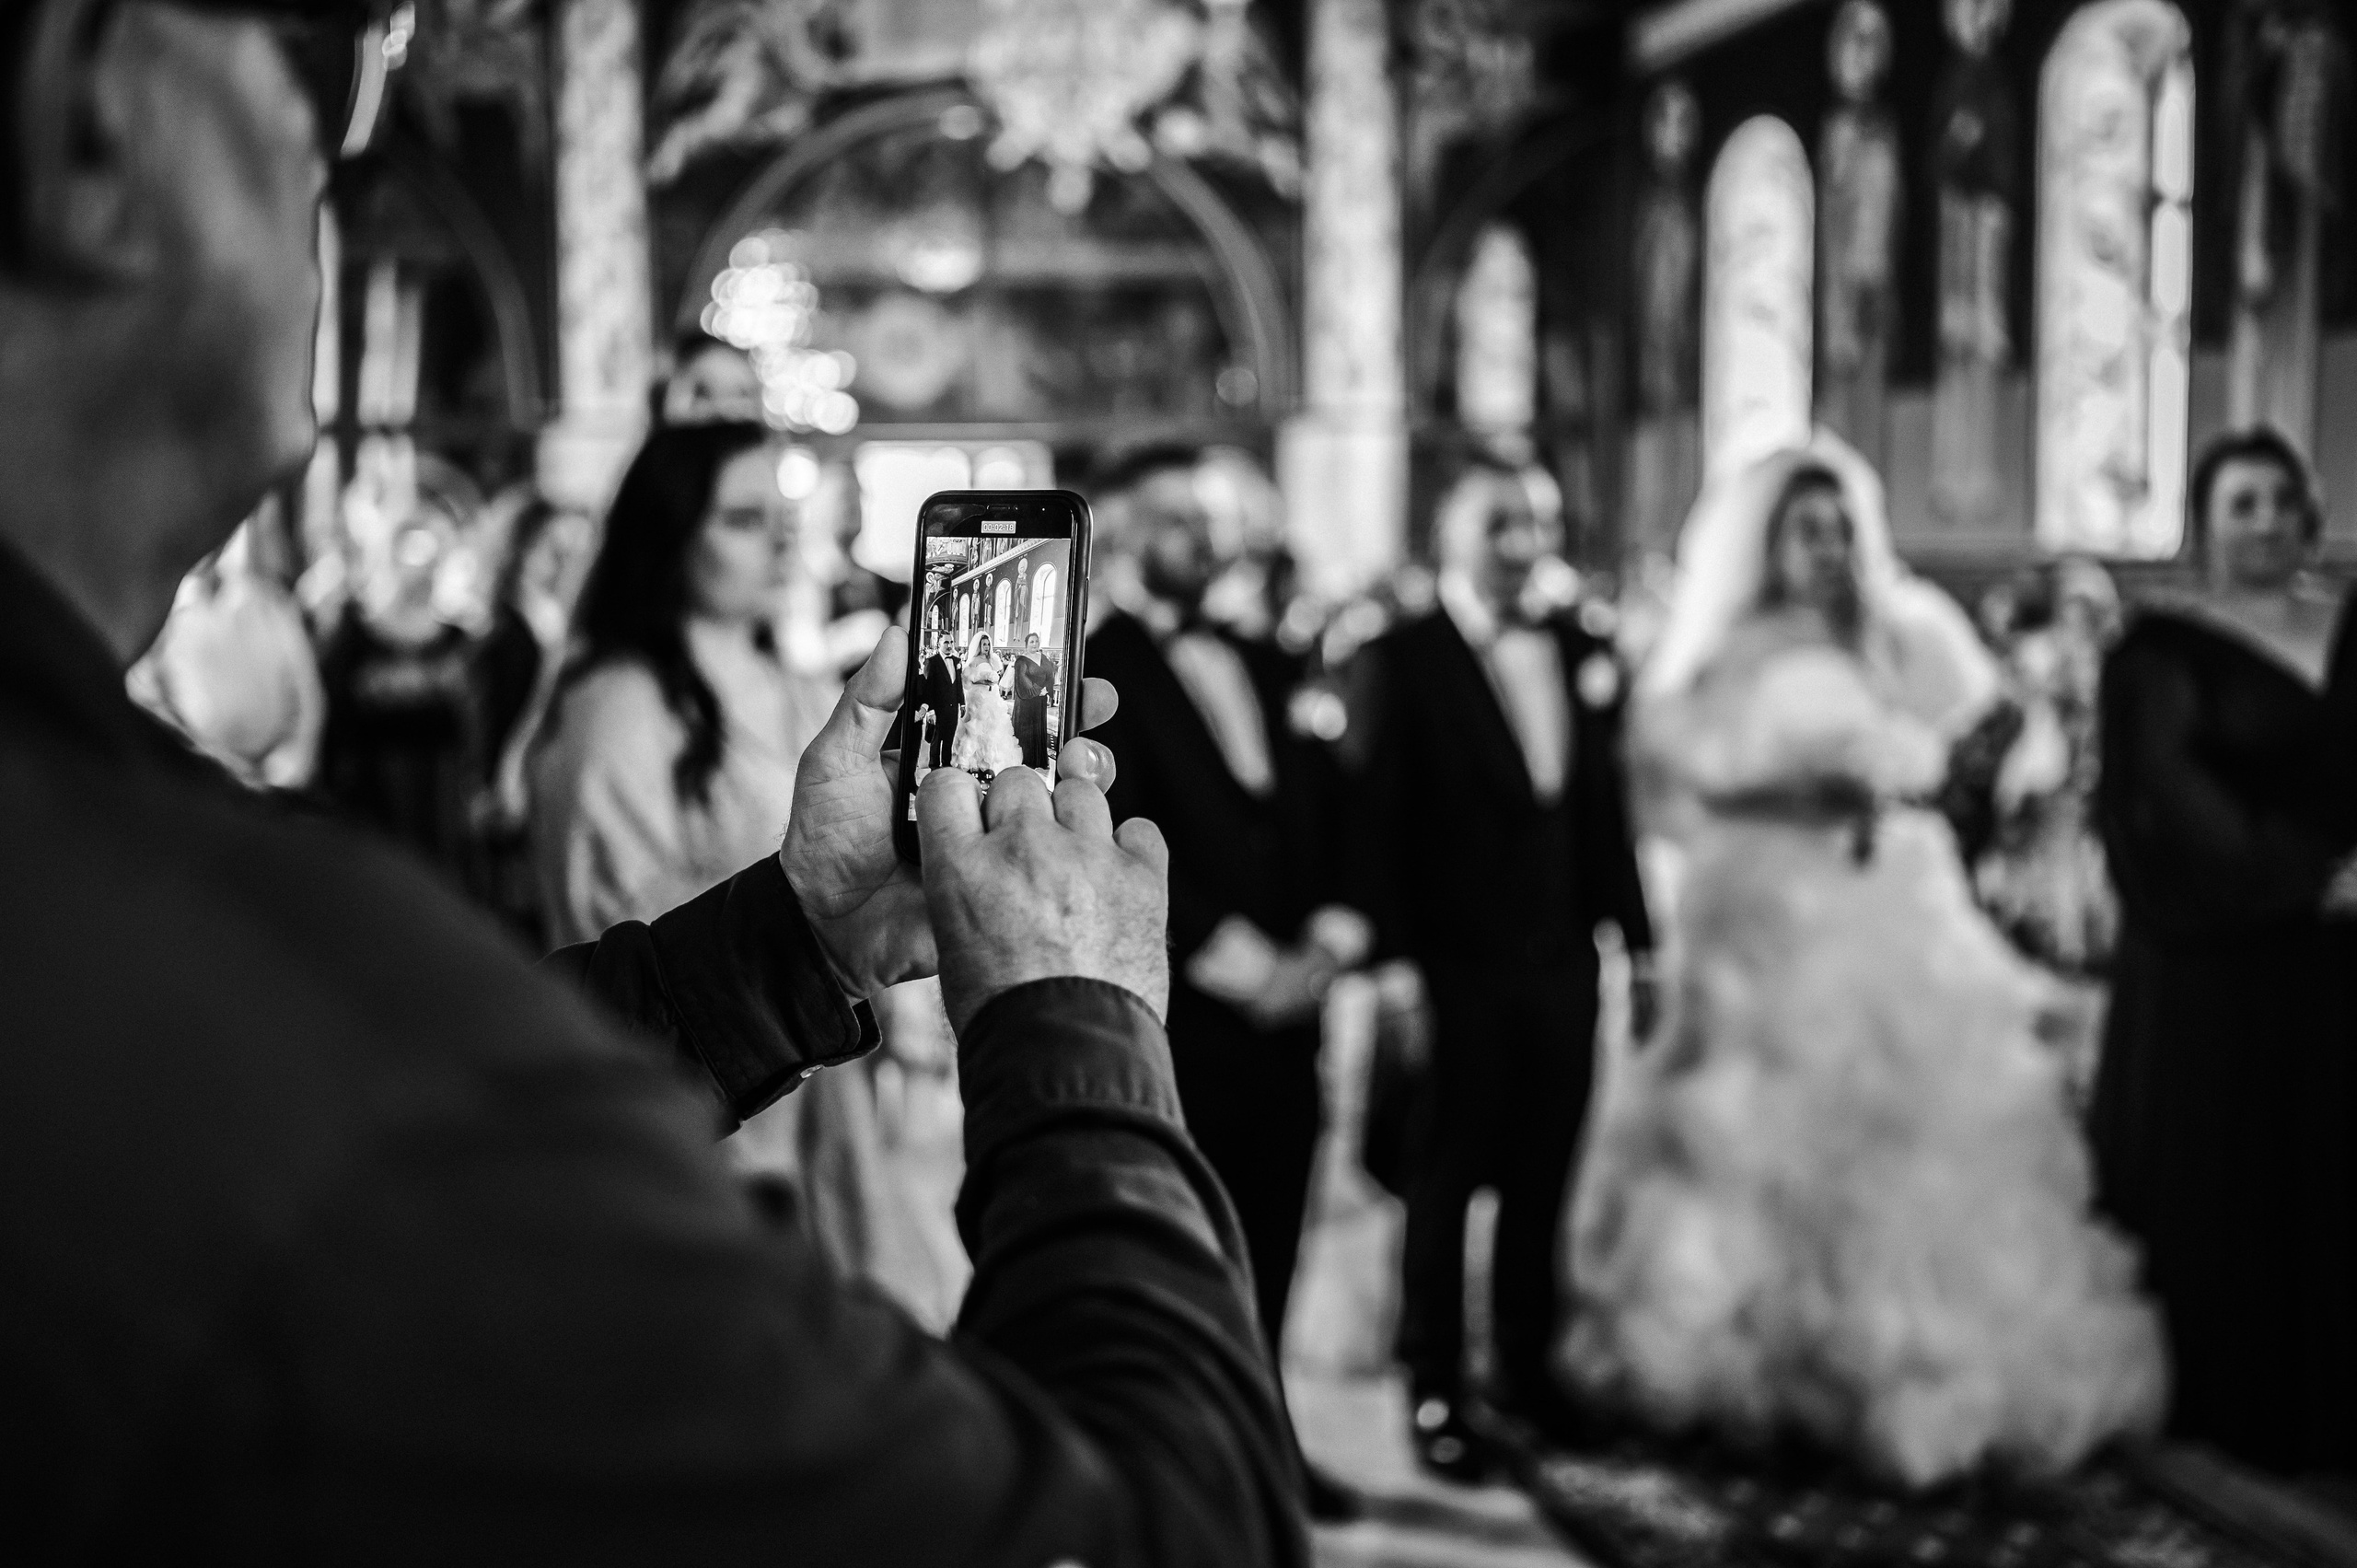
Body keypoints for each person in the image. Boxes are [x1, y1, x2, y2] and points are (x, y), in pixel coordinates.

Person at [0, 5, 1303, 1561]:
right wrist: (1072, 1011)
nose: (351, 134)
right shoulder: (243, 967)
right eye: (323, 53)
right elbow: (1163, 1526)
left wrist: (802, 932)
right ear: (92, 112)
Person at [1563, 435, 2164, 1489]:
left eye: (1841, 527)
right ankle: (1757, 1361)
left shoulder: (1904, 635)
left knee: (1911, 1126)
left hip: (1889, 894)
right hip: (1758, 904)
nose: (1828, 548)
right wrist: (1799, 789)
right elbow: (1669, 786)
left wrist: (1925, 781)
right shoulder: (1720, 649)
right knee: (1754, 1128)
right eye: (1806, 528)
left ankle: (1910, 1365)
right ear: (1766, 544)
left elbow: (1993, 732)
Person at [528, 421, 961, 1323]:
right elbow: (618, 939)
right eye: (740, 516)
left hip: (826, 1070)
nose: (778, 538)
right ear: (669, 536)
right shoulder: (618, 710)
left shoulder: (797, 682)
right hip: (704, 1092)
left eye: (783, 513)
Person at [1341, 455, 1654, 1480]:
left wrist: (1637, 941)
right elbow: (1373, 825)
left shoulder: (1577, 644)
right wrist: (1392, 969)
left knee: (1544, 1176)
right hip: (1451, 967)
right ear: (1451, 536)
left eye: (1538, 521)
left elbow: (1602, 812)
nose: (1524, 543)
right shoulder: (1399, 655)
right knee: (1443, 1180)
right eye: (1500, 524)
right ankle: (1436, 1381)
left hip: (1564, 962)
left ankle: (1527, 1365)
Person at [1086, 445, 1370, 1521]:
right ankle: (1188, 1467)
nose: (1200, 541)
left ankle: (1268, 1441)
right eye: (1172, 521)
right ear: (1116, 535)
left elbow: (1328, 806)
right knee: (1186, 1242)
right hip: (1187, 1012)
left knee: (1277, 1230)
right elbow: (1119, 830)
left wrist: (1332, 939)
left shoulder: (1268, 658)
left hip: (1293, 1012)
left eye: (1208, 521)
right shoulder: (1100, 669)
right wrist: (1251, 967)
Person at [2094, 427, 2357, 1477]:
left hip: (2342, 956)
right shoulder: (2157, 651)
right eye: (2239, 504)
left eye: (2280, 501)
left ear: (2310, 511)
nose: (2263, 523)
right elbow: (2166, 803)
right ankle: (2232, 1405)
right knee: (2232, 1180)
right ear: (2202, 523)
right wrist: (2309, 877)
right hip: (2214, 952)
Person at [316, 499, 485, 881]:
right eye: (410, 551)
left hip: (442, 806)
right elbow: (333, 726)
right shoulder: (353, 638)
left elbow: (474, 728)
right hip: (373, 807)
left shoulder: (458, 642)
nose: (420, 569)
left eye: (430, 553)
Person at [948, 630, 1024, 777]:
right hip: (978, 696)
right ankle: (973, 762)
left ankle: (992, 762)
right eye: (984, 644)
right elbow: (967, 680)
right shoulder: (974, 661)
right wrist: (984, 680)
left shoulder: (993, 660)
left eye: (988, 644)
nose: (986, 647)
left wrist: (994, 680)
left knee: (994, 728)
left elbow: (998, 675)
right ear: (979, 646)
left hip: (992, 696)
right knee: (977, 727)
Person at [1012, 629, 1057, 769]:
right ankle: (1026, 761)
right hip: (1026, 702)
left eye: (1036, 641)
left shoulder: (1044, 658)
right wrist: (1039, 690)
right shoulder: (1021, 661)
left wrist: (1047, 690)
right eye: (1032, 641)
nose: (1034, 644)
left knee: (1038, 729)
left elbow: (1050, 675)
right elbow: (1022, 681)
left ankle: (1039, 761)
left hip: (1040, 701)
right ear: (1026, 644)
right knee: (1027, 731)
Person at [919, 627, 962, 769]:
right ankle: (934, 768)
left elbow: (958, 684)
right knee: (936, 741)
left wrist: (962, 703)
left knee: (949, 740)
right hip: (937, 710)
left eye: (951, 642)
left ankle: (946, 767)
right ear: (939, 644)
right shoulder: (932, 662)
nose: (949, 646)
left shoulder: (957, 661)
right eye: (946, 643)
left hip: (952, 708)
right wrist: (930, 711)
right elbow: (928, 689)